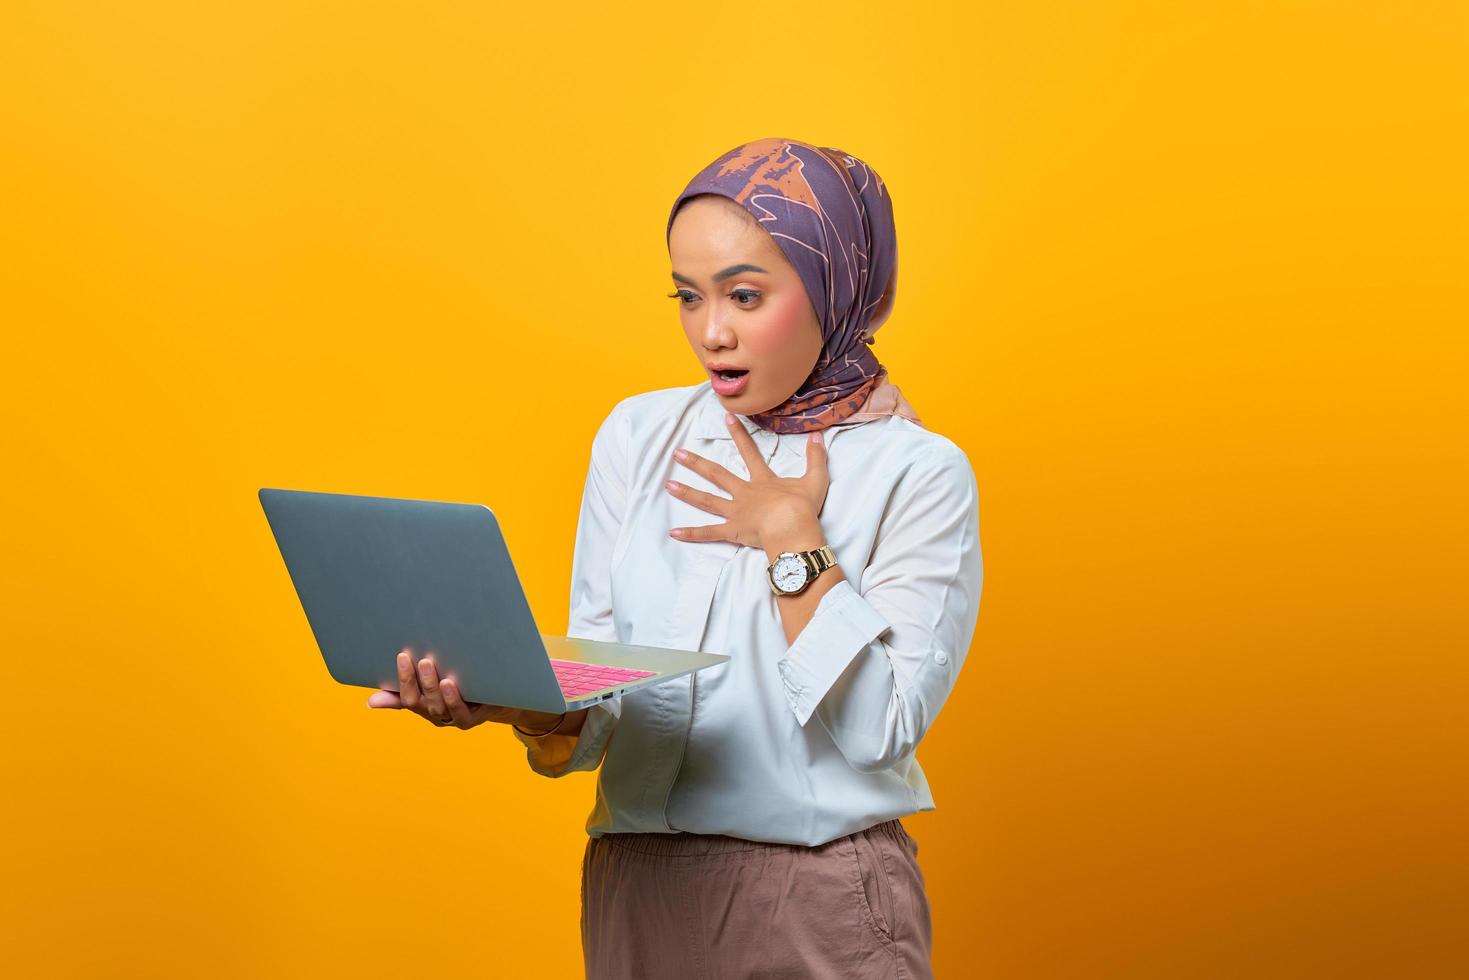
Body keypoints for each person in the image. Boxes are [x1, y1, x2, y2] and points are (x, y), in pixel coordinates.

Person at [368, 137, 984, 979]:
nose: (712, 331)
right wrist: (517, 702)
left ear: (836, 285)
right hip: (635, 886)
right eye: (688, 296)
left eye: (744, 294)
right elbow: (611, 695)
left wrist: (791, 541)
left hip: (814, 897)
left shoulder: (917, 471)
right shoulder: (637, 435)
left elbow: (879, 730)